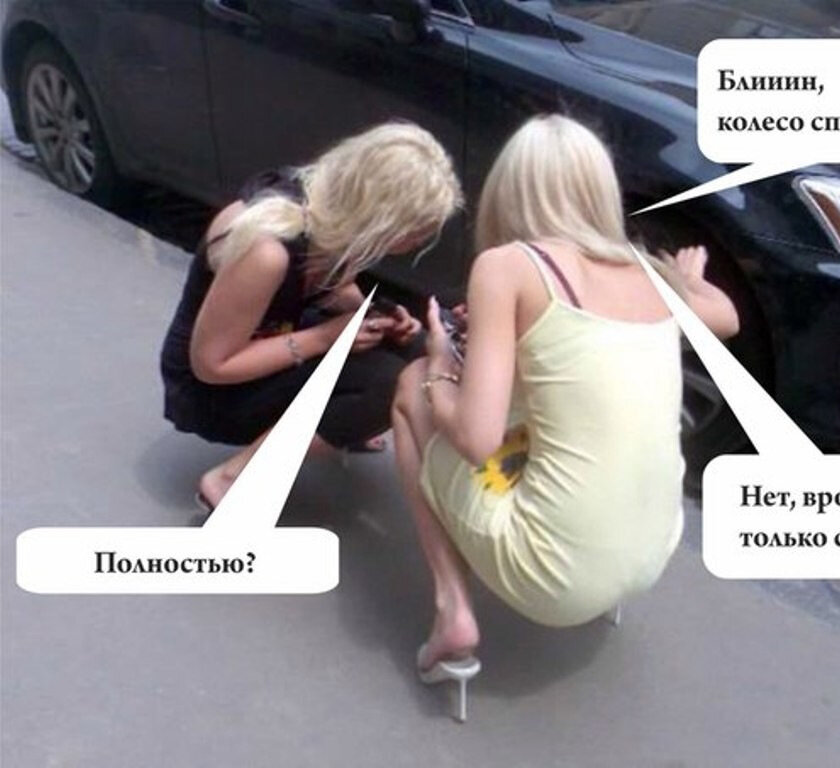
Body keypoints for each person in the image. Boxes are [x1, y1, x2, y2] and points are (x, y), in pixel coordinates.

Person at [390, 115, 739, 719]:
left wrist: (441, 362)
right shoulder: (646, 271)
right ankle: (593, 579)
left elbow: (476, 439)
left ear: (510, 188)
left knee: (409, 388)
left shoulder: (506, 267)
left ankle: (453, 610)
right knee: (551, 413)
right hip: (653, 551)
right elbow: (726, 317)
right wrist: (687, 281)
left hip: (551, 573)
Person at [160, 122, 463, 512]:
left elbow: (332, 287)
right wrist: (327, 337)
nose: (419, 241)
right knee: (386, 383)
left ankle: (343, 424)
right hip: (211, 394)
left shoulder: (331, 214)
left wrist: (374, 317)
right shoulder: (266, 250)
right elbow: (211, 366)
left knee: (417, 350)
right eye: (416, 231)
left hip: (274, 338)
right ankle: (231, 479)